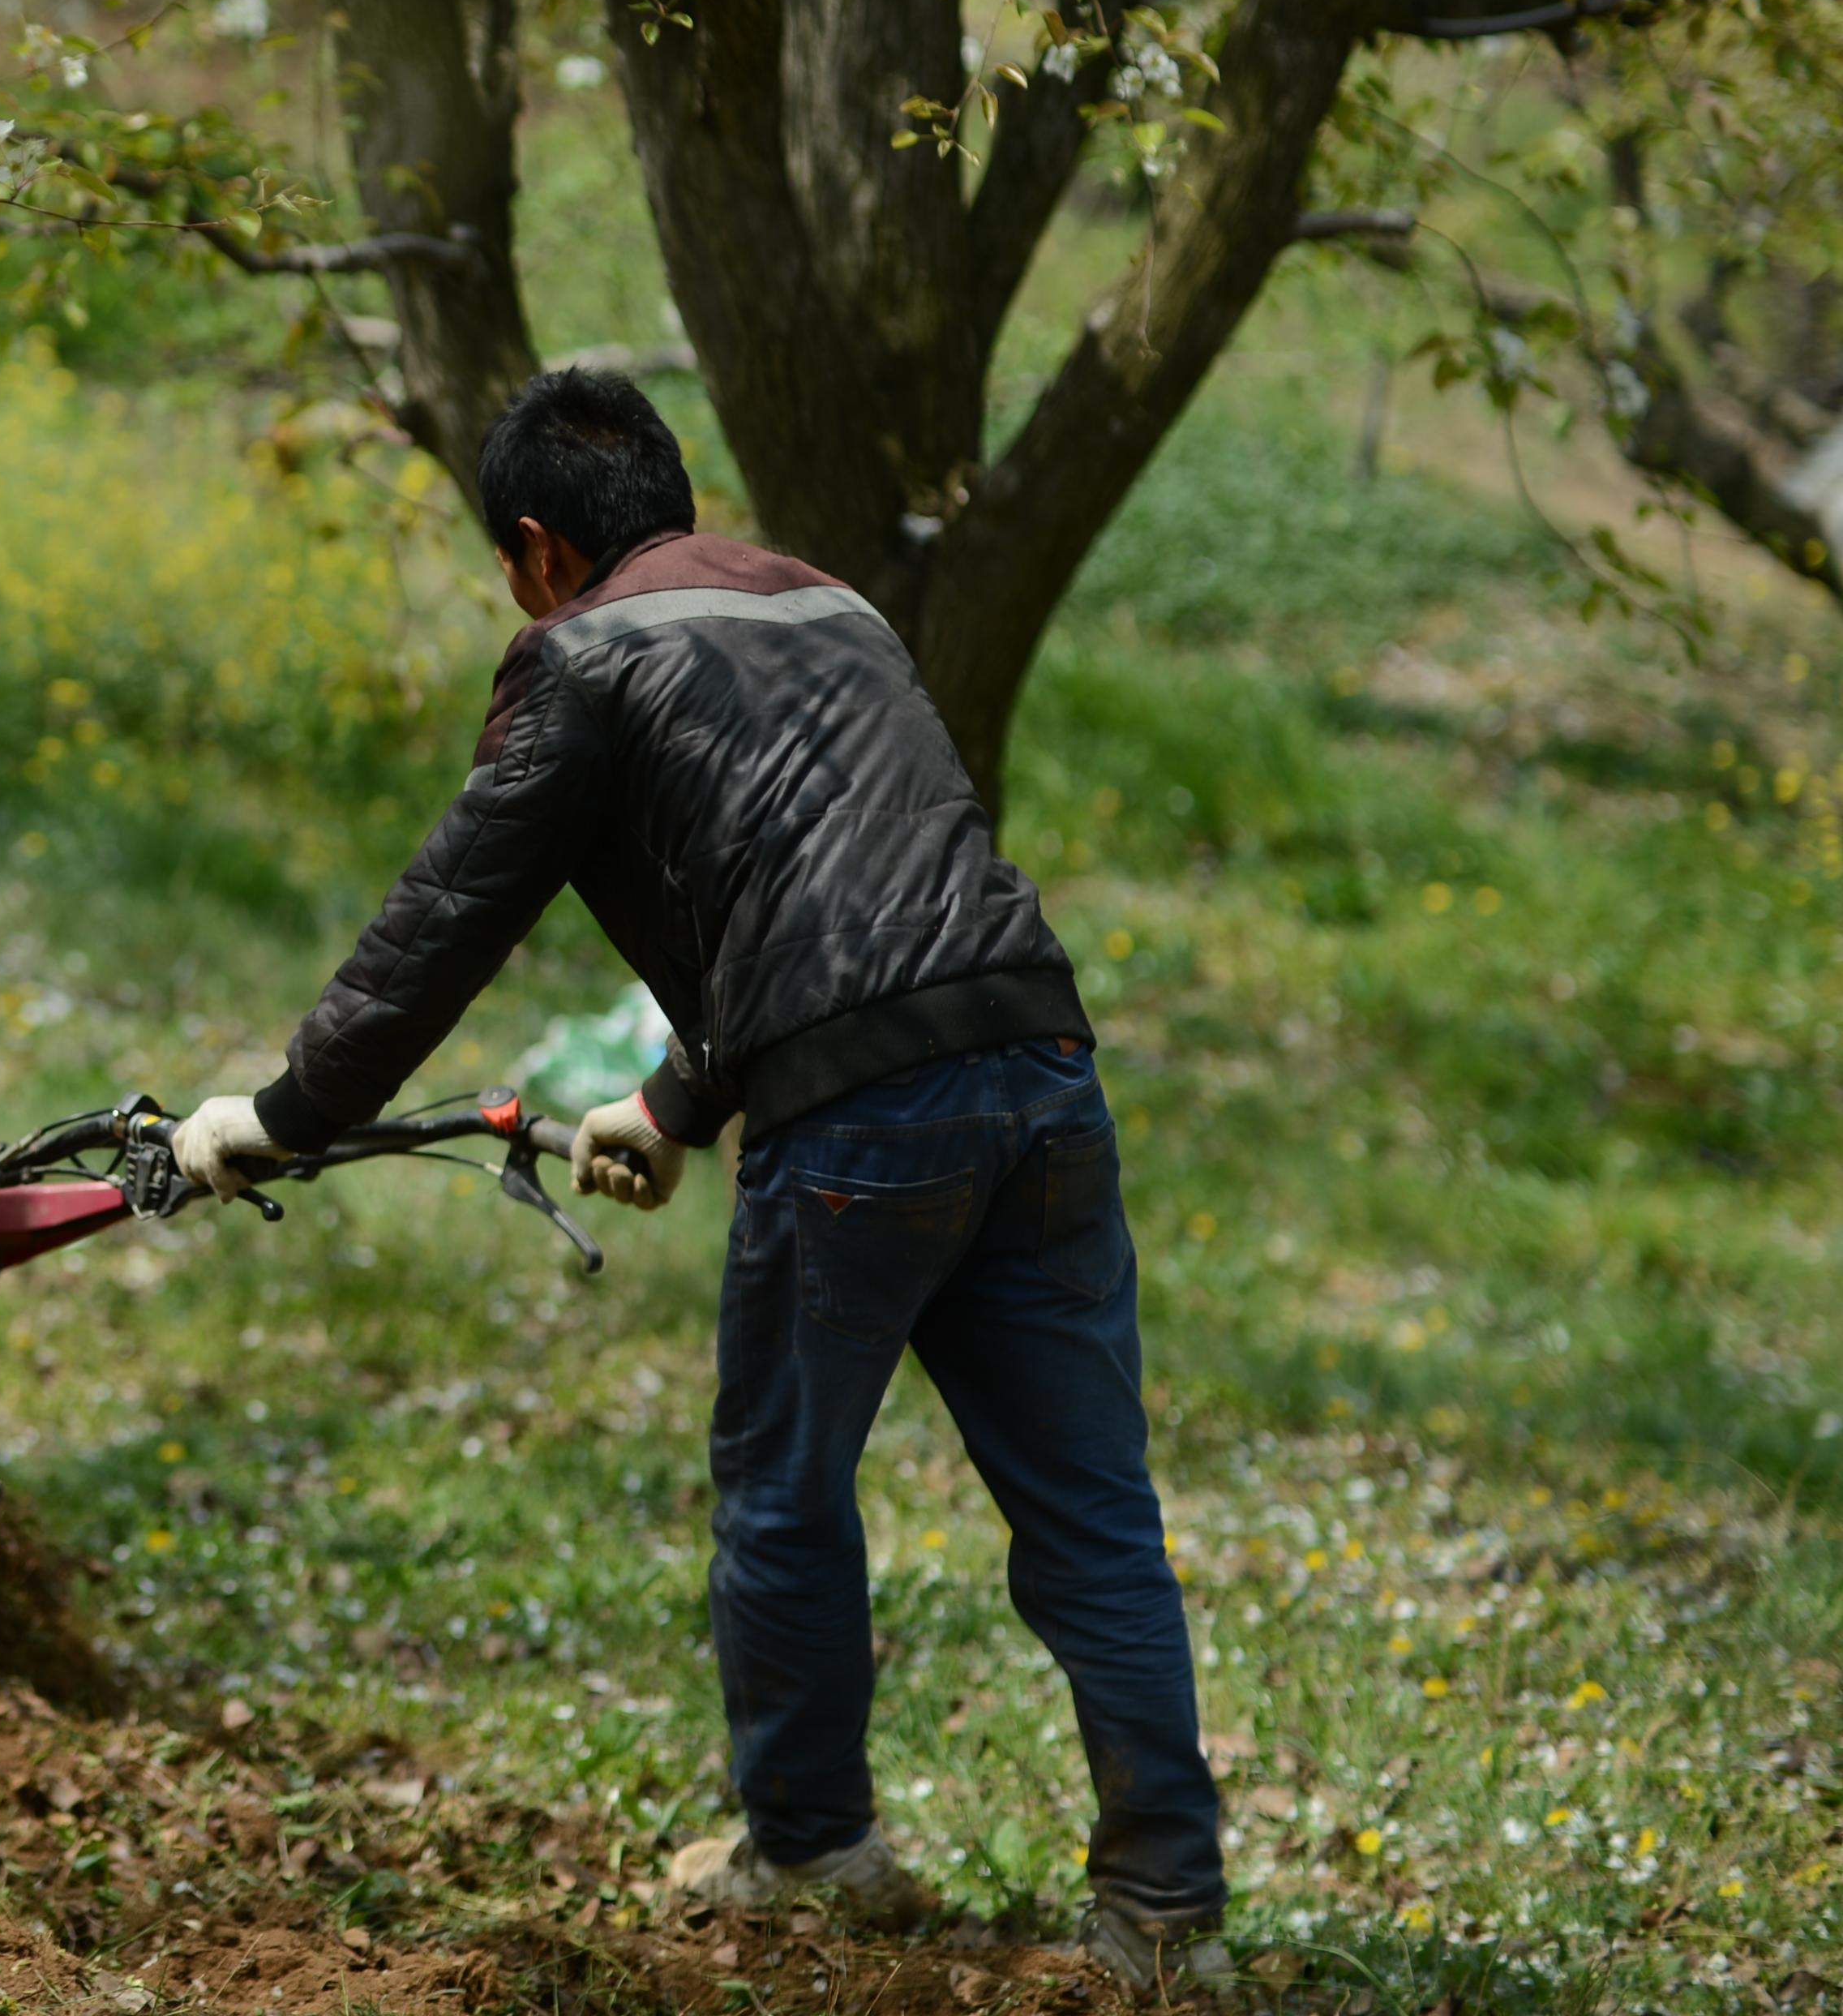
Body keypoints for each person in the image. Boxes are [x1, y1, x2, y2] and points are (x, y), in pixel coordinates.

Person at [168, 367, 1229, 1994]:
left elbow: (450, 913)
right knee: (1090, 1513)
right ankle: (1165, 1916)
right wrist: (671, 1099)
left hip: (864, 1122)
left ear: (533, 547)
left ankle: (811, 1848)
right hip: (1037, 1061)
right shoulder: (837, 609)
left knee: (784, 1484)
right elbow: (847, 872)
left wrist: (287, 1110)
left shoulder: (577, 657)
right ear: (669, 496)